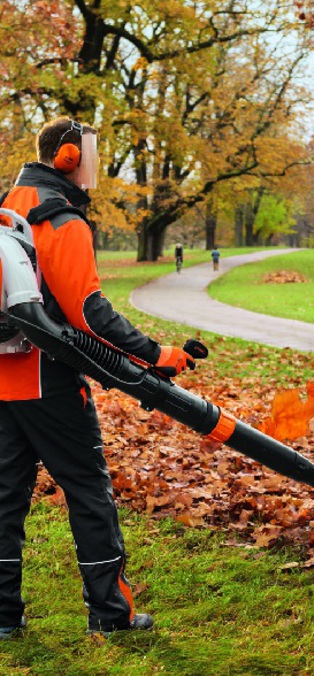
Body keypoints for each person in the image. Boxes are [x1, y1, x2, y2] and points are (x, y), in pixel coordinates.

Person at [0, 117, 195, 639]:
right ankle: (111, 615)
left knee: (3, 498)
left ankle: (2, 618)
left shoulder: (7, 204)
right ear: (67, 156)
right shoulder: (59, 217)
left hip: (3, 377)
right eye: (90, 154)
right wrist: (157, 354)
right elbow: (88, 313)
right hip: (50, 377)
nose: (95, 166)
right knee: (88, 489)